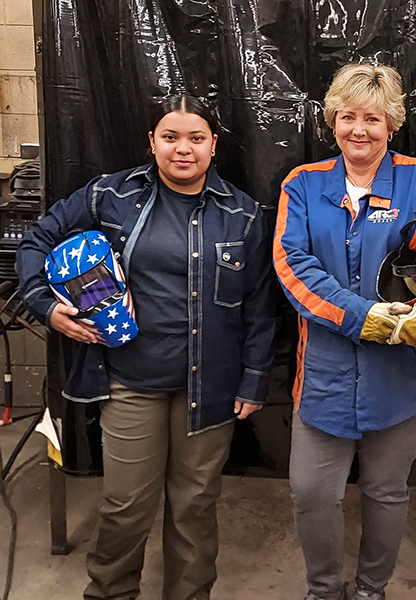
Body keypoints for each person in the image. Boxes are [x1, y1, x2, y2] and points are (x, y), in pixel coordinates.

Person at [17, 96, 278, 600]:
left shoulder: (242, 215)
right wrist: (45, 307)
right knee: (125, 505)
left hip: (212, 390)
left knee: (195, 506)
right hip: (129, 381)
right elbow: (37, 239)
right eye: (171, 137)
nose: (184, 149)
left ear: (214, 145)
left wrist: (254, 379)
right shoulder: (108, 196)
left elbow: (259, 309)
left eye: (196, 138)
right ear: (151, 142)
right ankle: (111, 592)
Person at [274, 62, 416, 600]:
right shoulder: (303, 186)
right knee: (311, 491)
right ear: (332, 120)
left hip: (408, 376)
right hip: (325, 374)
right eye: (348, 116)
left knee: (384, 489)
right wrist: (362, 317)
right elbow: (292, 264)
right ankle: (324, 591)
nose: (360, 129)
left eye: (373, 119)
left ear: (392, 125)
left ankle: (372, 591)